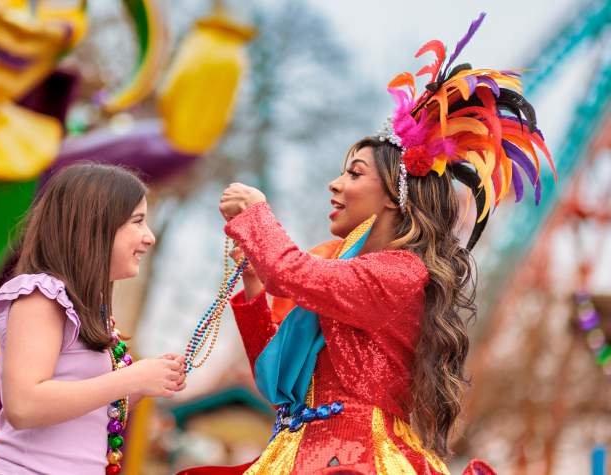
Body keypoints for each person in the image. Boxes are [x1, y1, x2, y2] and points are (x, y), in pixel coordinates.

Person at [179, 13, 553, 475]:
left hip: (357, 460)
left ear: (397, 196)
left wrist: (258, 214)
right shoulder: (345, 270)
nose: (334, 185)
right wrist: (254, 289)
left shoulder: (401, 272)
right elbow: (278, 381)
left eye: (354, 173)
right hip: (295, 454)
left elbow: (292, 271)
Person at [0, 163, 187, 475]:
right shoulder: (41, 295)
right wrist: (132, 378)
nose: (149, 237)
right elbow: (24, 405)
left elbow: (83, 412)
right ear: (97, 224)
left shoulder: (93, 308)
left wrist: (145, 385)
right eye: (138, 221)